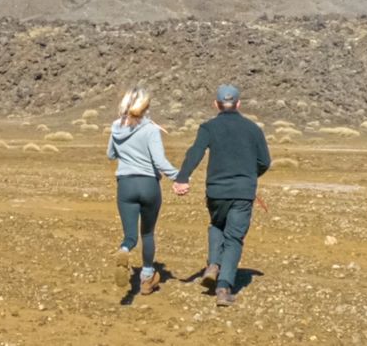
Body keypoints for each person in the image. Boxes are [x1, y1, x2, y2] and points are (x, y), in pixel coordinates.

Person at [173, 84, 271, 307]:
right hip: (243, 192)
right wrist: (249, 175)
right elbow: (265, 162)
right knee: (234, 237)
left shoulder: (208, 127)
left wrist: (182, 178)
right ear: (238, 104)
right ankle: (224, 287)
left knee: (217, 225)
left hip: (216, 191)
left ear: (216, 104)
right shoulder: (253, 129)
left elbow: (195, 152)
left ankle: (213, 265)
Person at [107, 87, 179, 295]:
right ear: (146, 107)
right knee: (147, 233)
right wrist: (179, 177)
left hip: (126, 185)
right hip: (148, 185)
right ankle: (147, 276)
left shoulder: (115, 127)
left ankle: (124, 250)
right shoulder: (150, 130)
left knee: (130, 235)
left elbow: (110, 154)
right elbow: (159, 161)